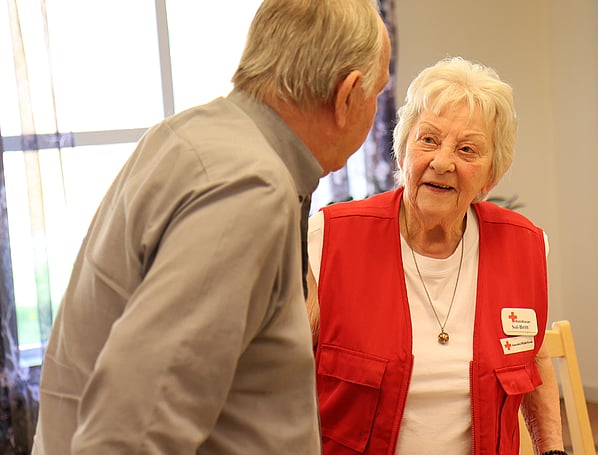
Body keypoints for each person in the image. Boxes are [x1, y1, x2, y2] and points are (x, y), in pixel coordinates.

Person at [32, 0, 391, 453]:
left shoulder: (187, 135)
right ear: (347, 96)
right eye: (377, 93)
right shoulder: (249, 189)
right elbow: (131, 433)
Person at [306, 57, 566, 455]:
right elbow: (276, 374)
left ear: (492, 175)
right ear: (402, 151)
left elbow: (533, 359)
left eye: (467, 149)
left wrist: (553, 450)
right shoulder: (330, 240)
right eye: (428, 140)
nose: (442, 162)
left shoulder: (523, 246)